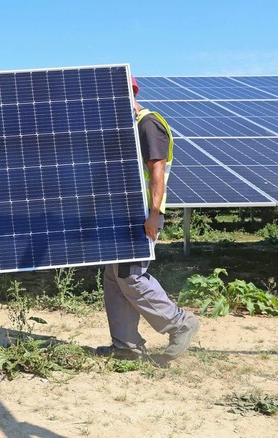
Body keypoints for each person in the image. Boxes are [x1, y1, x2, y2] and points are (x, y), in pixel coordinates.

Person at [96, 76, 200, 361]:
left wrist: (153, 215)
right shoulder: (131, 127)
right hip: (125, 214)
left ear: (127, 96)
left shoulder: (147, 124)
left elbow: (157, 171)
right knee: (115, 278)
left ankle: (180, 323)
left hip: (142, 215)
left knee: (131, 276)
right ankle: (126, 346)